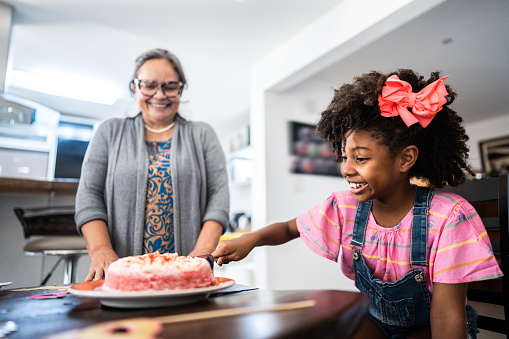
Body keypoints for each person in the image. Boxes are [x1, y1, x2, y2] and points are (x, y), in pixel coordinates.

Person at [212, 69, 503, 338]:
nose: (346, 169)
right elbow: (291, 228)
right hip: (377, 319)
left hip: (431, 325)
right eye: (344, 156)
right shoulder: (344, 207)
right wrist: (249, 240)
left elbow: (446, 313)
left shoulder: (448, 217)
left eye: (361, 158)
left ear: (405, 159)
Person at [76, 48, 229, 282]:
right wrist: (101, 251)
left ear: (180, 89)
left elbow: (218, 196)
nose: (159, 95)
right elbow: (89, 194)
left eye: (170, 86)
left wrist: (200, 255)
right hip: (120, 270)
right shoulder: (110, 132)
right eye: (149, 85)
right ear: (135, 87)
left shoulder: (202, 135)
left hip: (186, 273)